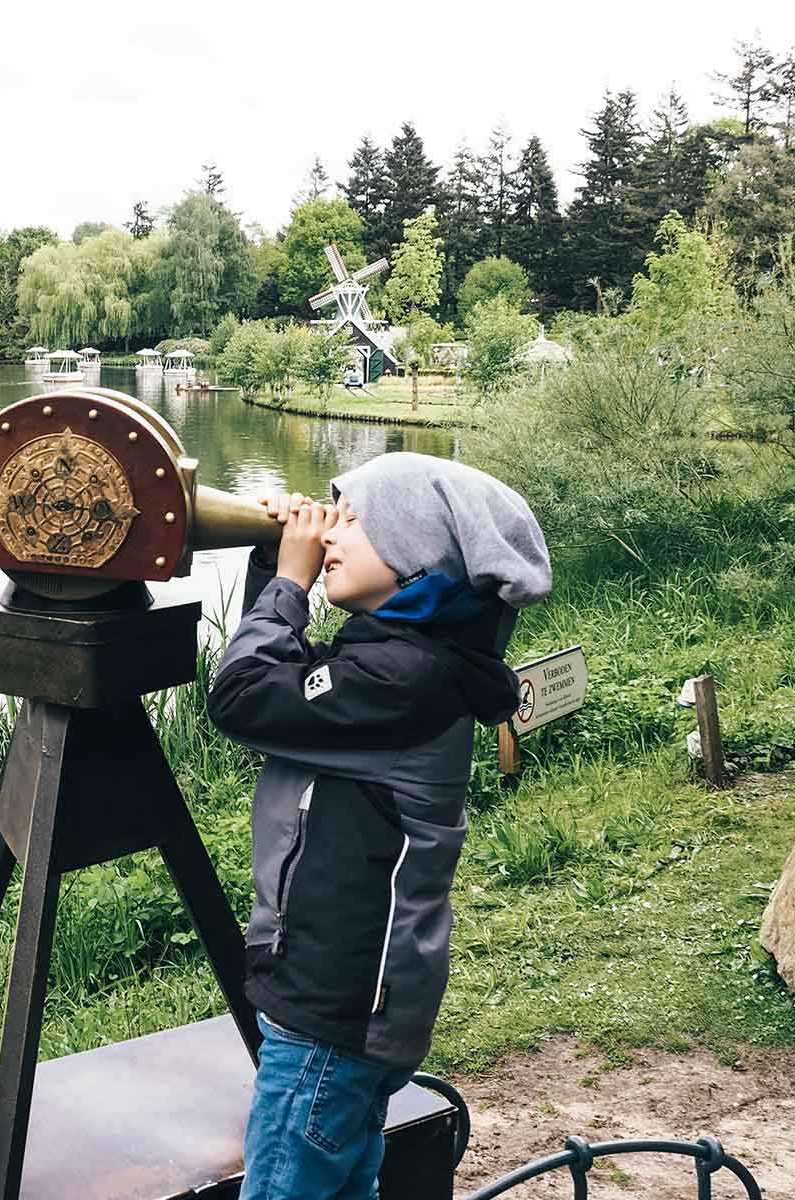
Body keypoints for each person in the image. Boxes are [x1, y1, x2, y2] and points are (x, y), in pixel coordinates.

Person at [207, 452, 551, 1200]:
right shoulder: (408, 661)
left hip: (335, 1004)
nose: (329, 532)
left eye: (353, 519)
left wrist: (291, 583)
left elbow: (241, 698)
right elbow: (282, 685)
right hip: (353, 999)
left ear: (415, 556)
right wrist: (272, 568)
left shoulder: (403, 680)